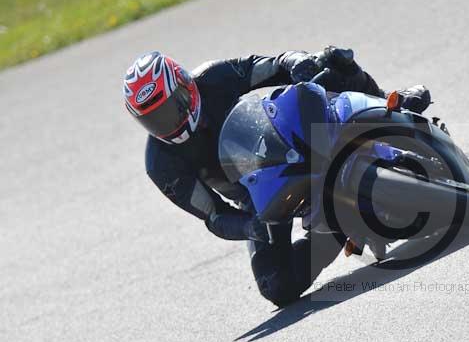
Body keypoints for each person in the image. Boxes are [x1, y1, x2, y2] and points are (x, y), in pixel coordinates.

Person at [123, 47, 431, 305]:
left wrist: (300, 62)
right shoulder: (162, 164)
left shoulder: (214, 77)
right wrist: (249, 226)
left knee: (333, 61)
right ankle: (333, 231)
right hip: (257, 197)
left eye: (167, 109)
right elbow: (214, 216)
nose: (166, 124)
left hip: (284, 136)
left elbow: (275, 64)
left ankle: (395, 106)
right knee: (276, 286)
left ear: (185, 85)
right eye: (152, 120)